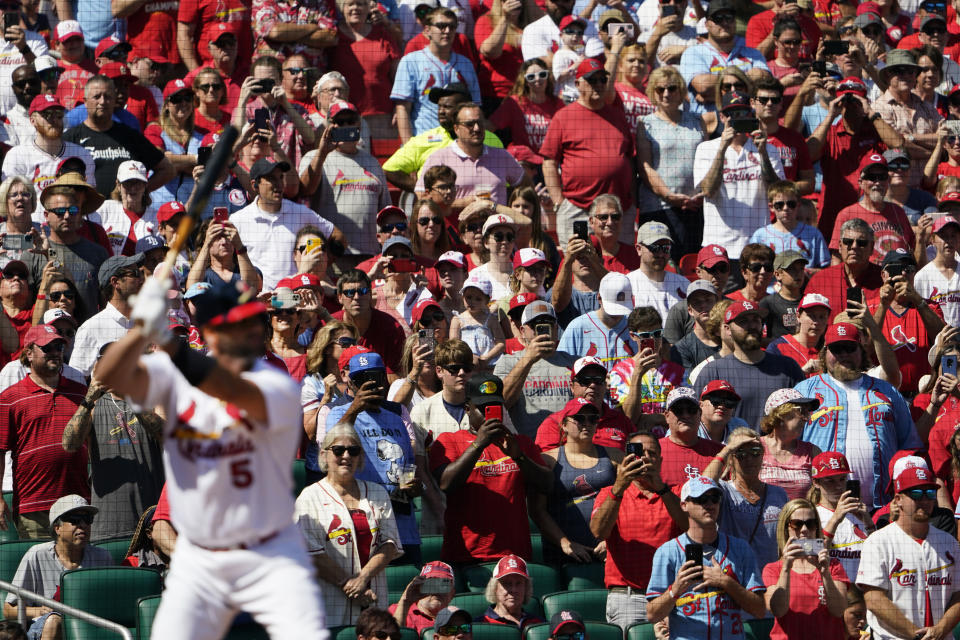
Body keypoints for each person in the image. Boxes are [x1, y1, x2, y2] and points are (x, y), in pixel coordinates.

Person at [97, 279, 328, 638]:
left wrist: (166, 339)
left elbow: (228, 386)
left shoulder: (275, 384)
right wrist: (141, 329)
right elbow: (108, 374)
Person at [795, 322, 921, 509]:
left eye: (849, 347)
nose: (844, 354)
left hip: (883, 506)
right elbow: (790, 446)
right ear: (825, 352)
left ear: (861, 351)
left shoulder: (887, 391)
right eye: (837, 349)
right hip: (825, 506)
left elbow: (909, 445)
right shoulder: (805, 391)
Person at [429, 373, 551, 563]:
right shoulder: (449, 441)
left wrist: (519, 457)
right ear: (468, 408)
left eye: (495, 407)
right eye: (483, 408)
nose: (490, 414)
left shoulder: (520, 443)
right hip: (467, 556)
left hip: (515, 555)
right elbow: (446, 483)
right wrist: (479, 444)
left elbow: (547, 484)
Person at [294, 423, 402, 626]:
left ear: (360, 457)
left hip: (373, 596)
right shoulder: (309, 498)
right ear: (325, 455)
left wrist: (363, 578)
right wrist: (350, 586)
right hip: (329, 598)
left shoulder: (378, 492)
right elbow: (311, 554)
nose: (346, 456)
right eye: (338, 450)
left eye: (353, 451)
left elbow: (390, 543)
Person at [60, 340, 163, 542]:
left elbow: (166, 435)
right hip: (108, 524)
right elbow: (69, 445)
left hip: (153, 523)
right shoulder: (93, 405)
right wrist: (88, 399)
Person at [324, 350, 421, 563]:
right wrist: (355, 408)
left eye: (375, 378)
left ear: (385, 381)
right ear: (350, 383)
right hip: (365, 521)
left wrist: (413, 486)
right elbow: (331, 448)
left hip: (402, 522)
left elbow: (409, 465)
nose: (370, 385)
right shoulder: (339, 414)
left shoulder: (395, 417)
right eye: (362, 379)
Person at [646, 476, 767, 638]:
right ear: (684, 505)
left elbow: (759, 610)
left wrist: (726, 582)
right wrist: (675, 589)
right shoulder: (667, 551)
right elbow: (652, 614)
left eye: (714, 498)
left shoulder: (741, 548)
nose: (709, 505)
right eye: (701, 499)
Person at [590, 431, 687, 627]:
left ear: (660, 460)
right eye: (638, 453)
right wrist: (619, 486)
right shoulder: (610, 493)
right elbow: (598, 532)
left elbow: (690, 526)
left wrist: (660, 487)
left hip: (671, 596)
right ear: (627, 459)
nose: (645, 458)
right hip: (629, 598)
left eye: (651, 453)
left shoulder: (676, 492)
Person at [0, 325, 88, 538]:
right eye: (47, 347)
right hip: (34, 506)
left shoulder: (81, 393)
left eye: (58, 346)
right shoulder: (10, 398)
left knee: (78, 567)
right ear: (28, 353)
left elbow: (94, 443)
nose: (56, 352)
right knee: (41, 568)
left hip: (77, 503)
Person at [857, 463, 960, 640]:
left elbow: (958, 594)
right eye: (916, 494)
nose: (925, 501)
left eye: (929, 493)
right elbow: (874, 599)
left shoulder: (948, 541)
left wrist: (941, 629)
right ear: (898, 500)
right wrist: (916, 635)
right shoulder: (878, 542)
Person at [540, 58, 636, 245]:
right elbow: (549, 162)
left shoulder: (617, 115)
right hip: (578, 209)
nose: (599, 85)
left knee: (619, 266)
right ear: (577, 84)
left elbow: (629, 159)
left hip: (616, 213)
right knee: (580, 265)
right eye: (592, 80)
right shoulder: (563, 117)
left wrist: (631, 201)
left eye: (603, 80)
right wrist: (558, 201)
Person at [694, 90, 785, 270]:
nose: (737, 119)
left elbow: (778, 194)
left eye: (743, 114)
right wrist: (721, 149)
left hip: (757, 245)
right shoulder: (706, 149)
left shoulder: (768, 149)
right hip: (719, 246)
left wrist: (763, 154)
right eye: (732, 114)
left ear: (751, 116)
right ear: (721, 117)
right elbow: (708, 190)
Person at [3, 496, 113, 640]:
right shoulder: (36, 555)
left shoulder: (102, 557)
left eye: (87, 519)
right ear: (57, 528)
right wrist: (39, 610)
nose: (83, 525)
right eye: (74, 519)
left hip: (90, 625)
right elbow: (8, 610)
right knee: (55, 621)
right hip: (45, 627)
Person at [807, 76, 904, 237]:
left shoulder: (875, 130)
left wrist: (871, 112)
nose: (850, 106)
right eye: (846, 100)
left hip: (872, 213)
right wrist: (831, 115)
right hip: (834, 213)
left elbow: (898, 145)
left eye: (856, 101)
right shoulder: (830, 132)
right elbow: (808, 154)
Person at [529, 397, 618, 563]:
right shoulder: (548, 460)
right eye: (579, 418)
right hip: (563, 553)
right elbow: (537, 510)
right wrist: (565, 543)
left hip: (609, 551)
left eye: (593, 419)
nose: (587, 423)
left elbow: (630, 501)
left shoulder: (615, 457)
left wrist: (613, 541)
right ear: (563, 424)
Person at [231, 157, 338, 290]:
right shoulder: (238, 220)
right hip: (258, 302)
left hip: (295, 301)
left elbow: (338, 238)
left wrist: (319, 266)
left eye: (281, 177)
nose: (279, 184)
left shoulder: (300, 212)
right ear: (255, 185)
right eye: (271, 178)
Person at [695, 301, 805, 427]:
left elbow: (805, 414)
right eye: (743, 321)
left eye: (756, 320)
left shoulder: (787, 367)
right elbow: (696, 416)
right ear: (727, 329)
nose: (752, 326)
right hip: (731, 445)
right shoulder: (714, 371)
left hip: (778, 446)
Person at [63, 75, 174, 197]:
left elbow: (167, 170)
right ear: (85, 101)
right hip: (87, 212)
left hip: (123, 212)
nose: (103, 101)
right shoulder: (71, 139)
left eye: (108, 96)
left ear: (115, 100)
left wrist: (140, 192)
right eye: (97, 96)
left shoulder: (130, 136)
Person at [636, 65, 705, 262]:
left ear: (681, 91)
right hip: (660, 207)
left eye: (672, 88)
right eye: (660, 89)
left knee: (693, 263)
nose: (666, 94)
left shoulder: (697, 121)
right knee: (664, 264)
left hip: (696, 205)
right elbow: (645, 166)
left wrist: (703, 193)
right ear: (653, 92)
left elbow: (708, 160)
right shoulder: (645, 123)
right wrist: (668, 195)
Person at [702, 428, 791, 573]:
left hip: (770, 577)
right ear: (731, 458)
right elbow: (703, 484)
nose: (749, 459)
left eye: (755, 452)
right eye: (741, 453)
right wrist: (728, 449)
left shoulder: (779, 494)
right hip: (733, 576)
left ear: (762, 455)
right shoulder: (724, 491)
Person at [762, 498, 849, 640]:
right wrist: (786, 569)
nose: (804, 530)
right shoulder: (773, 569)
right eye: (796, 524)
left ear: (817, 527)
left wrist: (825, 574)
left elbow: (839, 611)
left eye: (810, 524)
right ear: (786, 528)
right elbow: (778, 610)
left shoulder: (833, 566)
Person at [391, 8, 481, 143]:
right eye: (441, 26)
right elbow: (403, 108)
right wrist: (408, 146)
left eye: (452, 26)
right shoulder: (410, 61)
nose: (447, 31)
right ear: (427, 30)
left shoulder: (465, 63)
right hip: (424, 140)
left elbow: (475, 106)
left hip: (459, 143)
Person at [494, 299, 576, 438]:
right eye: (535, 325)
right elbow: (501, 404)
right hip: (528, 448)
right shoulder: (508, 362)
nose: (543, 331)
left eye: (548, 324)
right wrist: (528, 359)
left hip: (567, 447)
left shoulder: (574, 362)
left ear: (556, 328)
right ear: (522, 331)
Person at [417, 102, 527, 206]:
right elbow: (423, 198)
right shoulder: (439, 158)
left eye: (480, 123)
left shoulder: (501, 156)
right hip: (456, 225)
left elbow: (525, 187)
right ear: (456, 129)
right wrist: (464, 203)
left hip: (496, 225)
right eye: (469, 124)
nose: (477, 128)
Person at [868, 248, 945, 394]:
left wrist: (917, 299)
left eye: (909, 269)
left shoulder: (928, 305)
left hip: (921, 394)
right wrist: (883, 306)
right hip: (881, 395)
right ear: (883, 275)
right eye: (896, 268)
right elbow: (866, 347)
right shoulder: (871, 307)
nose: (903, 273)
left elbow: (942, 341)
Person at [830, 153, 919, 266]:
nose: (877, 183)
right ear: (861, 182)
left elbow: (911, 249)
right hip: (865, 280)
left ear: (888, 181)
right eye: (871, 177)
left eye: (882, 177)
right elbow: (837, 258)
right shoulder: (847, 214)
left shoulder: (898, 212)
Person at [68, 253, 143, 377]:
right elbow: (75, 379)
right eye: (134, 274)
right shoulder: (91, 327)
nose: (141, 279)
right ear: (115, 282)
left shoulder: (147, 321)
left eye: (140, 273)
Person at [807, 451, 875, 583]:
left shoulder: (858, 512)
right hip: (830, 592)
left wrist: (869, 523)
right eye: (830, 481)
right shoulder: (809, 514)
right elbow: (808, 553)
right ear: (816, 482)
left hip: (861, 594)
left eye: (842, 479)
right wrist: (835, 519)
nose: (838, 486)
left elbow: (878, 554)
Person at [488, 58, 564, 163]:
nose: (537, 79)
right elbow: (488, 127)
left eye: (542, 75)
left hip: (551, 162)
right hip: (524, 163)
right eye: (531, 77)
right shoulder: (514, 103)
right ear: (525, 81)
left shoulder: (558, 104)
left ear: (548, 77)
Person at [557, 271, 635, 364]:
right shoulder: (577, 327)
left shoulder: (635, 326)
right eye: (612, 310)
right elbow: (562, 367)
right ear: (599, 298)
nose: (617, 315)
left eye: (622, 308)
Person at [749, 180, 830, 270]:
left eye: (791, 204)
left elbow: (825, 270)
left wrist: (804, 273)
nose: (785, 208)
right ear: (771, 207)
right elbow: (752, 269)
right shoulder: (760, 235)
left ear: (798, 205)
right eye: (779, 205)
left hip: (805, 283)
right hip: (770, 284)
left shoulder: (813, 233)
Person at [759, 389, 822, 501]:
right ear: (781, 413)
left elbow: (821, 496)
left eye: (808, 413)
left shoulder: (812, 452)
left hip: (800, 518)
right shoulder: (756, 447)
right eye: (802, 411)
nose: (806, 419)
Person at [627, 221, 691, 320]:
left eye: (666, 248)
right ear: (639, 249)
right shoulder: (628, 283)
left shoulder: (684, 283)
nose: (661, 254)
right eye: (654, 248)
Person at [914, 214, 960, 327]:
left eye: (953, 236)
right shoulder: (922, 276)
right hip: (936, 340)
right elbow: (920, 315)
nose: (949, 241)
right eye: (943, 236)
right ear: (933, 240)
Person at [477, 555, 544, 629]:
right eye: (507, 584)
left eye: (518, 583)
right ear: (494, 588)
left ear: (526, 588)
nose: (513, 589)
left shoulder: (538, 624)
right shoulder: (480, 625)